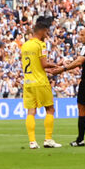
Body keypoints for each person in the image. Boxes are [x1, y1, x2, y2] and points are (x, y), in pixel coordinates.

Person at [50, 26, 85, 146]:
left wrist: (63, 69)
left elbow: (79, 61)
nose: (79, 37)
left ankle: (80, 139)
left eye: (82, 35)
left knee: (82, 111)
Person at [21, 16, 62, 148]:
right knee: (50, 109)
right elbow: (44, 64)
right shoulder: (40, 44)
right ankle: (48, 139)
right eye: (47, 32)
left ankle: (32, 142)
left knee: (31, 112)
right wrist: (57, 65)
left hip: (28, 83)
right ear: (43, 31)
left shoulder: (25, 45)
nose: (47, 35)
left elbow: (34, 65)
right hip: (40, 82)